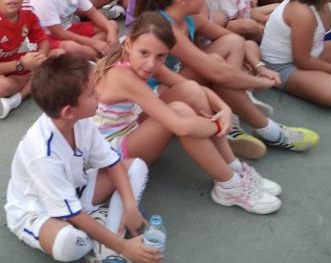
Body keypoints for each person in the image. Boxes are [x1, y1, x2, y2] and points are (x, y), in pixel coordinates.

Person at [95, 11, 282, 214]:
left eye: (160, 56)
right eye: (145, 53)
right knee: (182, 114)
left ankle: (234, 166)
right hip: (111, 153)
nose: (151, 64)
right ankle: (229, 185)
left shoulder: (141, 60)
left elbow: (192, 87)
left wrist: (224, 108)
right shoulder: (124, 77)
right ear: (129, 44)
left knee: (190, 91)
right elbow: (181, 128)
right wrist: (219, 124)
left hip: (127, 127)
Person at [135, 0, 320, 158]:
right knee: (216, 65)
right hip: (151, 100)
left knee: (232, 43)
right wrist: (258, 82)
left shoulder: (190, 19)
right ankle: (269, 131)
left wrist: (259, 66)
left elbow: (233, 40)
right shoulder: (165, 28)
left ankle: (232, 117)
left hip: (175, 82)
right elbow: (216, 72)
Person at [5, 54, 157, 263]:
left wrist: (130, 204)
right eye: (92, 93)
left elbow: (113, 162)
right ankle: (109, 236)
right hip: (38, 212)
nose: (99, 94)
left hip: (75, 192)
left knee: (136, 166)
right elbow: (73, 214)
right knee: (67, 242)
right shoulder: (43, 154)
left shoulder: (81, 121)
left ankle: (107, 243)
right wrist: (125, 247)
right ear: (69, 111)